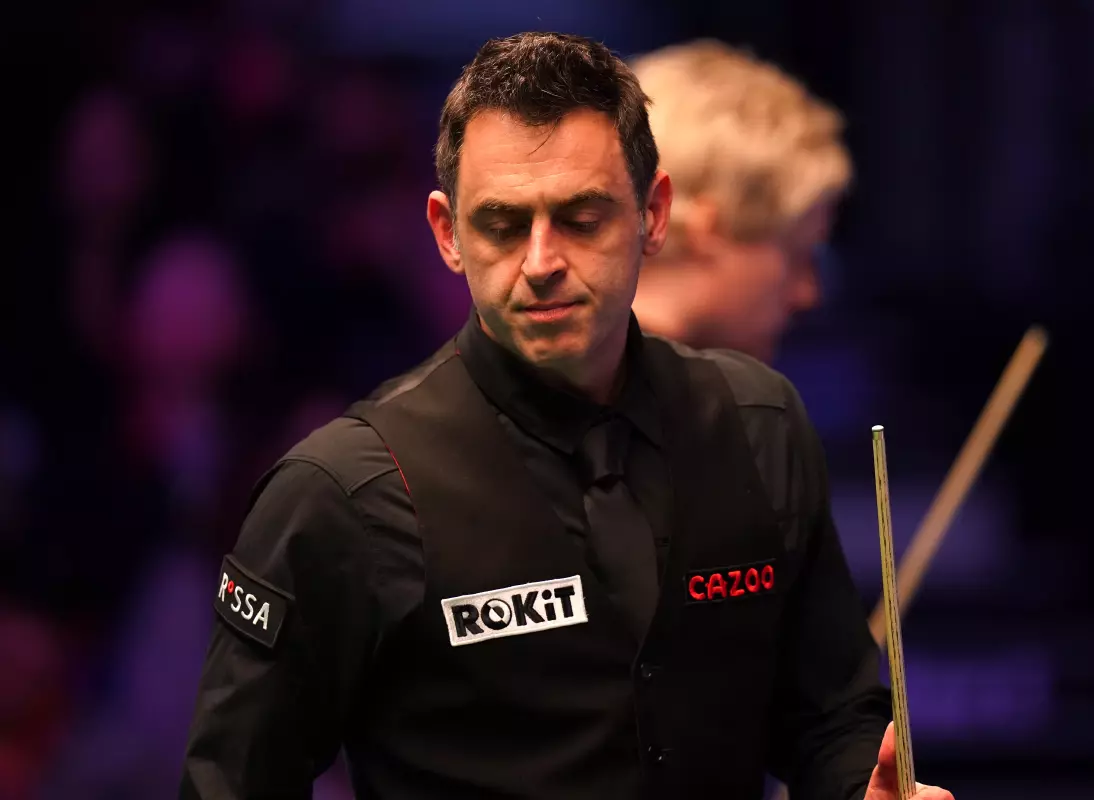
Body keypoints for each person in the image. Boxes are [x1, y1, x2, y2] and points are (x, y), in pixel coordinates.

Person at [179, 32, 953, 800]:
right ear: (448, 233)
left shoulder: (758, 424)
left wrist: (865, 789)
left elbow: (831, 723)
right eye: (503, 224)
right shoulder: (339, 493)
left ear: (653, 214)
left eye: (582, 218)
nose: (542, 262)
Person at [629, 40, 851, 363]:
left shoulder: (554, 368)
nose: (808, 294)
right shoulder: (679, 401)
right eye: (797, 255)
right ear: (708, 231)